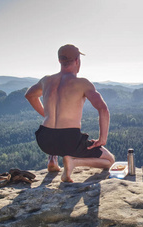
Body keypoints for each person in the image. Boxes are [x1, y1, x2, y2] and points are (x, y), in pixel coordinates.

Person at [25, 44, 115, 182]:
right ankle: (73, 162)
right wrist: (102, 139)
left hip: (44, 139)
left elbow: (30, 95)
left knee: (53, 131)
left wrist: (47, 114)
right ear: (77, 61)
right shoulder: (82, 83)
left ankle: (52, 159)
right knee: (109, 160)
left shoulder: (46, 81)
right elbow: (103, 108)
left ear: (60, 61)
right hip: (69, 141)